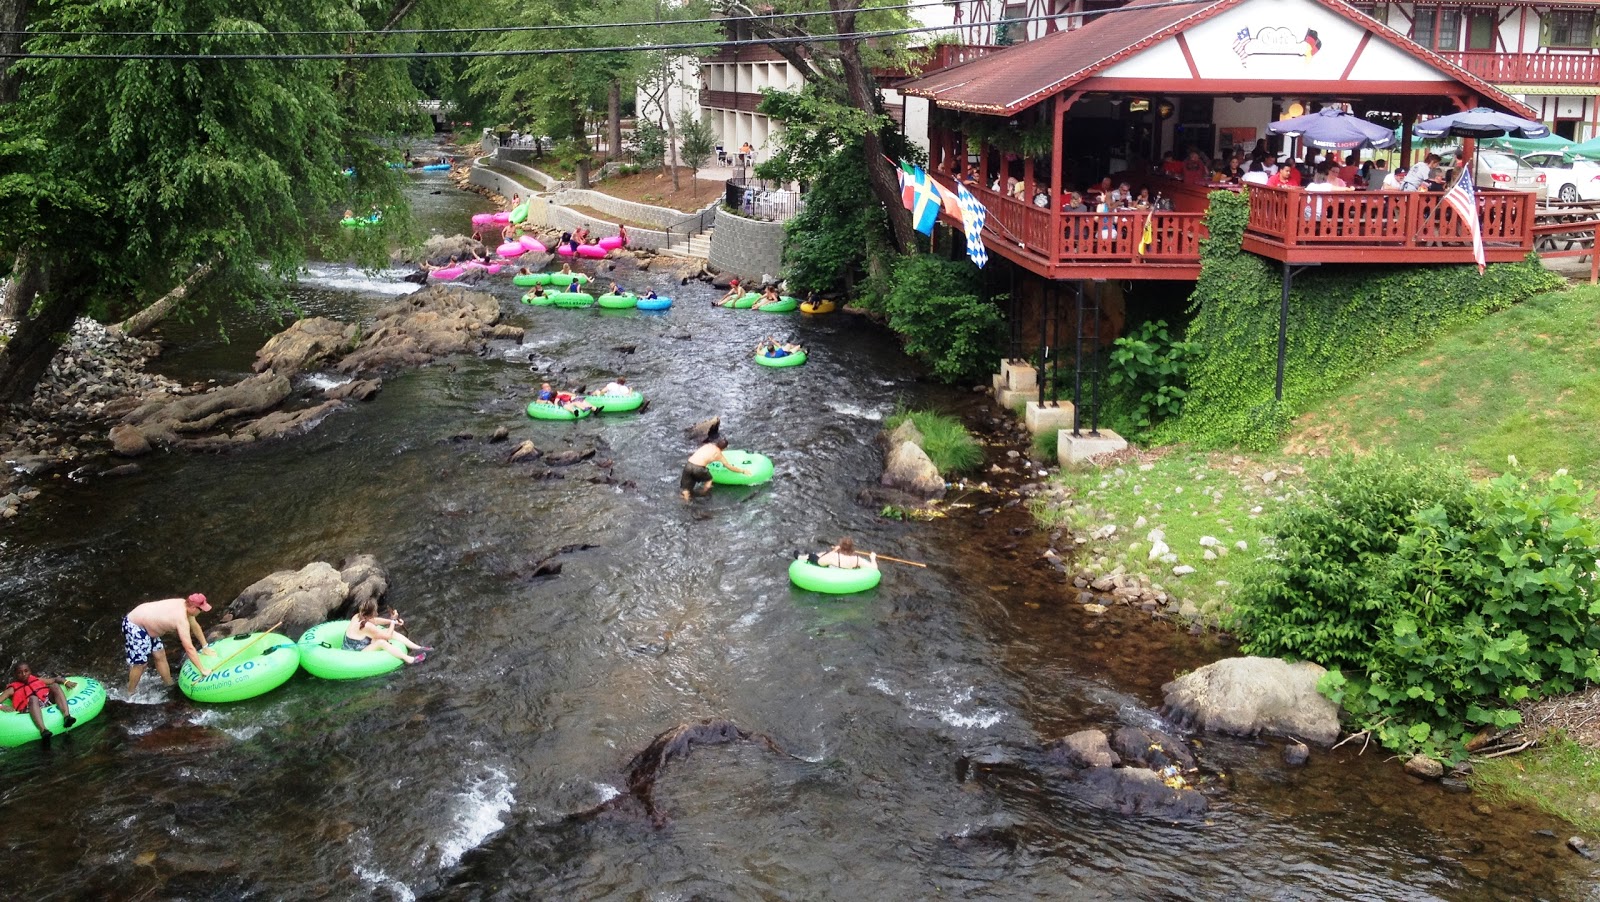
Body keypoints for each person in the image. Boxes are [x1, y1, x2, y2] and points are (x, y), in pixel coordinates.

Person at [122, 594, 217, 694]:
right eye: (200, 609)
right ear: (193, 607)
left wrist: (205, 646)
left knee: (160, 654)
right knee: (141, 664)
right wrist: (202, 670)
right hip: (134, 625)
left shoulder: (184, 604)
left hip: (146, 622)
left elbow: (195, 626)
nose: (201, 612)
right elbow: (188, 647)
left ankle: (169, 685)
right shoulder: (181, 619)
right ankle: (130, 693)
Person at [5, 663, 75, 742]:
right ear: (15, 675)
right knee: (33, 698)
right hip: (29, 708)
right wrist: (1, 706)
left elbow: (55, 679)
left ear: (30, 671)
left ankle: (67, 717)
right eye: (19, 672)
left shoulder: (37, 679)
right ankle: (43, 730)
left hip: (45, 701)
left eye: (26, 671)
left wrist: (65, 682)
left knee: (54, 686)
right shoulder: (12, 689)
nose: (23, 674)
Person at [344, 600, 429, 664]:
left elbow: (376, 621)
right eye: (375, 611)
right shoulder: (367, 626)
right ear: (371, 613)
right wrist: (393, 620)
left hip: (355, 646)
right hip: (354, 653)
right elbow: (388, 636)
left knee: (385, 631)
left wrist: (394, 622)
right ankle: (410, 660)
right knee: (381, 642)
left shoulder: (357, 616)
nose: (377, 613)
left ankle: (418, 648)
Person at [682, 436, 747, 501]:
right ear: (724, 448)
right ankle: (703, 493)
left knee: (686, 489)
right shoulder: (718, 454)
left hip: (688, 464)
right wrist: (742, 471)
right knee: (709, 479)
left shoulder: (708, 445)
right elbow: (729, 467)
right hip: (698, 468)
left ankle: (686, 503)